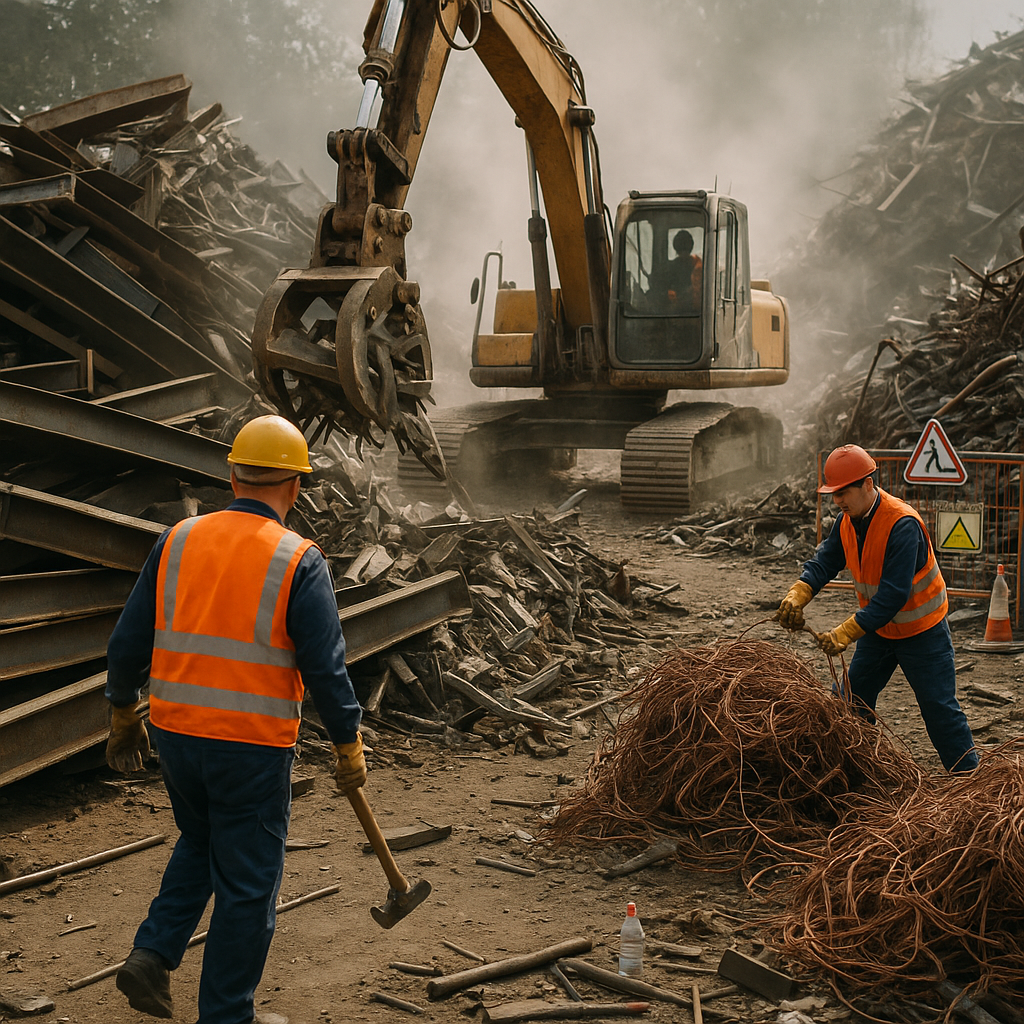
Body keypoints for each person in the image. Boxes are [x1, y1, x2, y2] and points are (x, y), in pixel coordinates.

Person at [104, 414, 366, 1024]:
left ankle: (152, 953)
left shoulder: (179, 538)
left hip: (175, 734)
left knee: (200, 839)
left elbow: (127, 641)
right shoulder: (298, 558)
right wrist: (348, 742)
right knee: (248, 883)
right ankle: (226, 1016)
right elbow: (326, 669)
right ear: (295, 487)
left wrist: (123, 712)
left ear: (232, 475)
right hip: (249, 745)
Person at [778, 443, 978, 773]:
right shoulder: (846, 520)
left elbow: (892, 596)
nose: (837, 501)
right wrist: (798, 592)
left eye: (843, 492)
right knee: (849, 703)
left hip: (922, 632)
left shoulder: (902, 525)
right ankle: (855, 771)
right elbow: (826, 561)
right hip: (880, 631)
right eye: (833, 493)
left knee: (939, 710)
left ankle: (970, 780)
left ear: (868, 484)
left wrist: (845, 632)